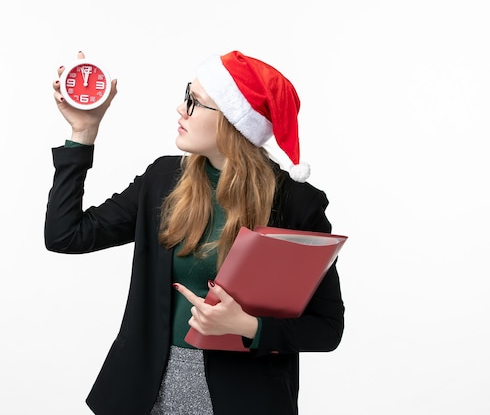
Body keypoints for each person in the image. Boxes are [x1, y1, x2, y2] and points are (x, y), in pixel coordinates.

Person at [44, 50, 344, 415]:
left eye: (196, 102)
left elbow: (327, 328)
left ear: (235, 121)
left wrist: (249, 326)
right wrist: (83, 133)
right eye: (188, 95)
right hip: (144, 392)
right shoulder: (163, 179)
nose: (181, 110)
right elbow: (66, 235)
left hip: (243, 398)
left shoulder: (297, 204)